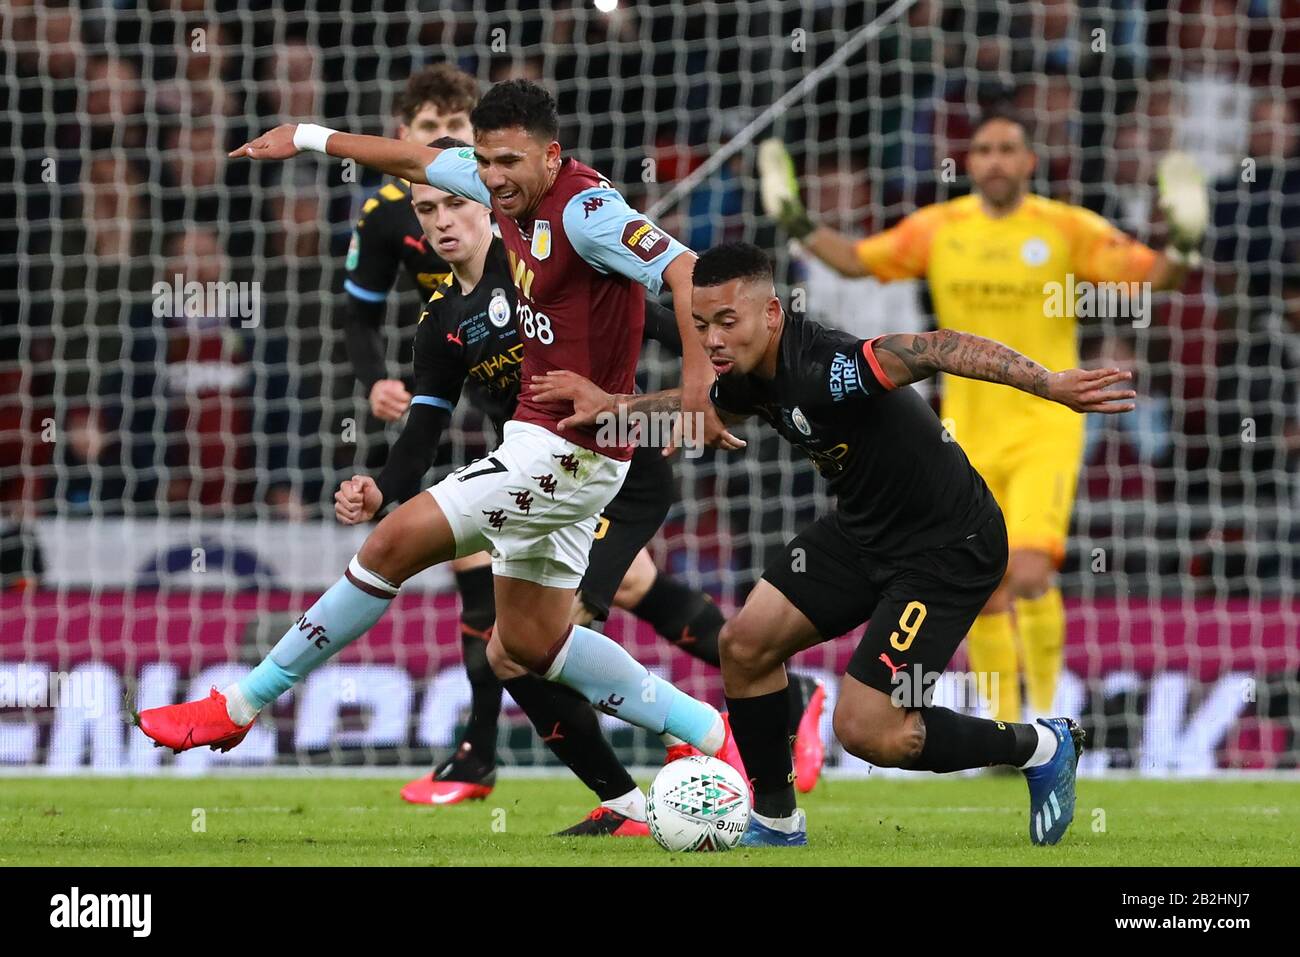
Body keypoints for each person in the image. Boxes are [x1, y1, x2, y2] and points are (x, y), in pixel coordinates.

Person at [136, 80, 742, 792]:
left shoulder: (589, 210)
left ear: (551, 155)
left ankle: (240, 703)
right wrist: (303, 135)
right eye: (483, 164)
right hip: (550, 442)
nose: (493, 179)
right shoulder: (479, 207)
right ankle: (709, 731)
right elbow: (409, 159)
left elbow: (686, 269)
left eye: (509, 162)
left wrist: (699, 392)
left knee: (391, 546)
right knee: (528, 644)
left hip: (570, 450)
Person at [534, 242, 1138, 846]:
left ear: (771, 313)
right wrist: (615, 409)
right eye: (699, 326)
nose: (711, 340)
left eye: (726, 321)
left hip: (948, 548)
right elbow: (696, 410)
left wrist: (1049, 383)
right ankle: (775, 823)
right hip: (861, 531)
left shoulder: (828, 368)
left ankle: (1040, 745)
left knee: (872, 731)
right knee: (743, 648)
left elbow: (935, 347)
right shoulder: (744, 374)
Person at [756, 105, 1202, 725]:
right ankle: (1007, 722)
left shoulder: (1066, 227)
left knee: (1031, 570)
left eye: (1007, 149)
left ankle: (1053, 719)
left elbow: (1153, 278)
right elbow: (856, 259)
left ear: (1029, 162)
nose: (995, 160)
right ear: (970, 163)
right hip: (963, 429)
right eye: (984, 150)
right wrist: (796, 220)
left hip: (1046, 422)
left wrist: (1183, 239)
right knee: (987, 582)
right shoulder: (940, 228)